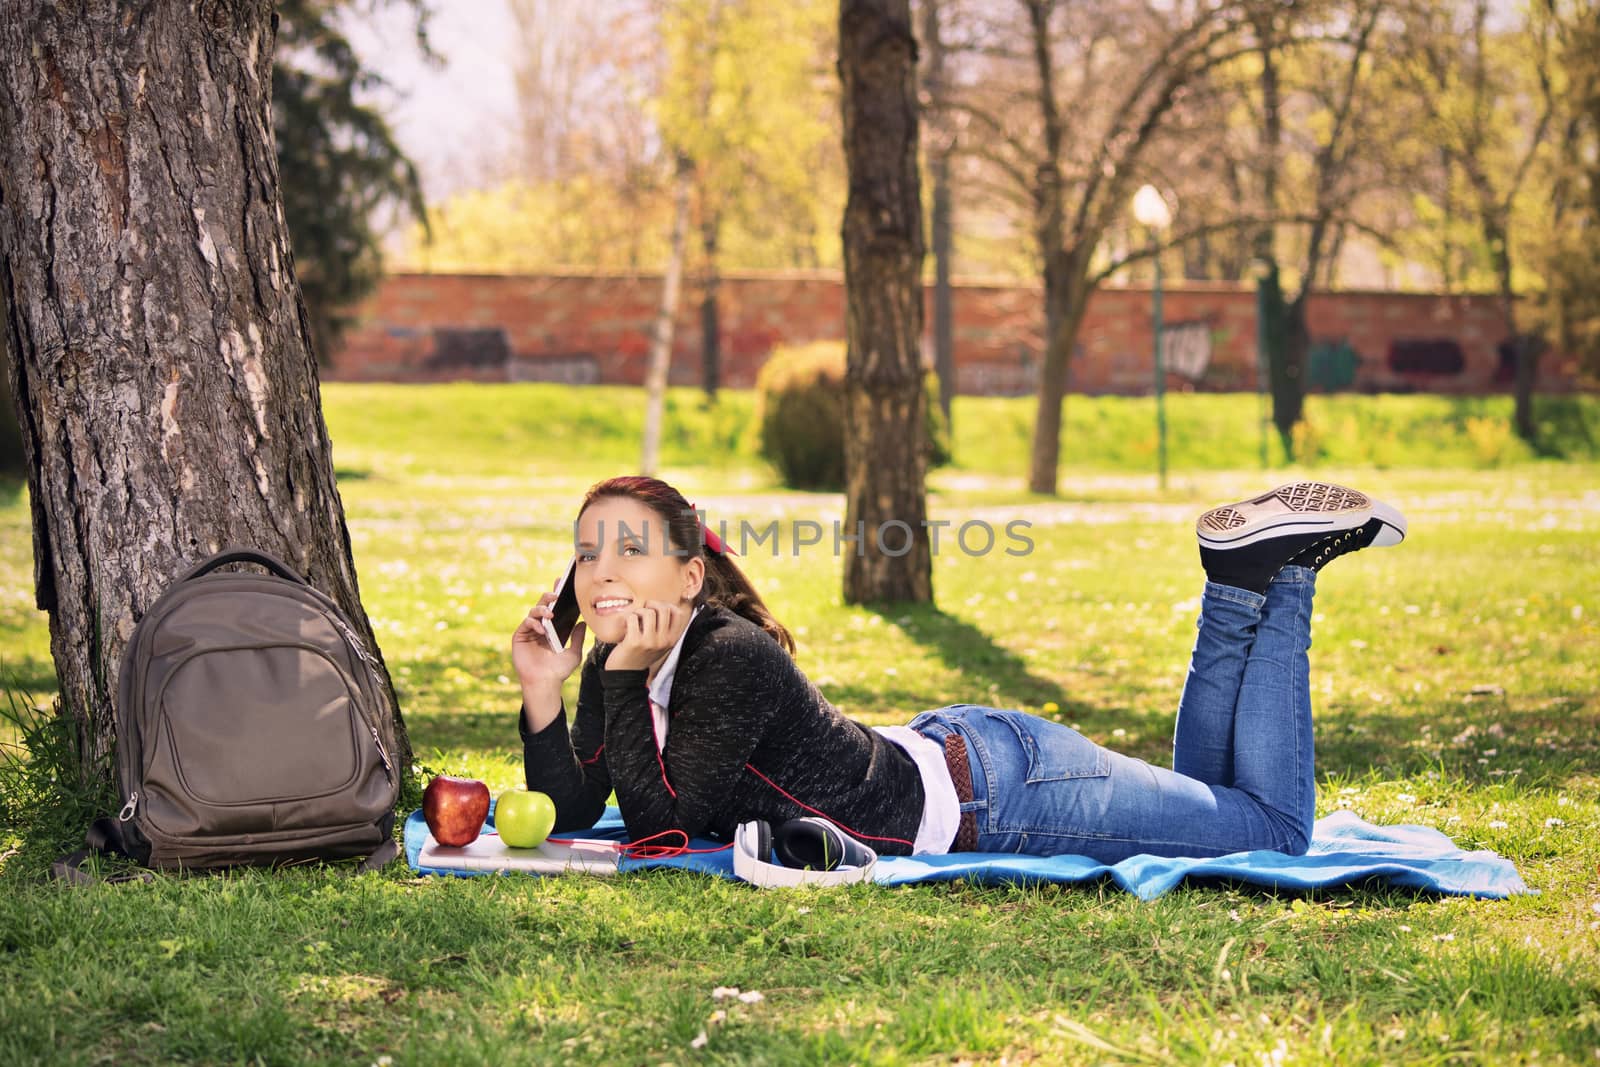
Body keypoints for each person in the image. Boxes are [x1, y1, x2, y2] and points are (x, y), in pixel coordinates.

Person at [512, 476, 1405, 863]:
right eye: (587, 554)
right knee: (1222, 804)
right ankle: (1241, 575)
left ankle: (1285, 572)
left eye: (629, 548)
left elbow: (670, 822)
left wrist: (621, 675)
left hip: (1008, 796)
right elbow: (587, 808)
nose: (601, 573)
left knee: (1277, 833)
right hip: (970, 761)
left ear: (690, 575)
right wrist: (544, 693)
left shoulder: (727, 656)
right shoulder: (621, 663)